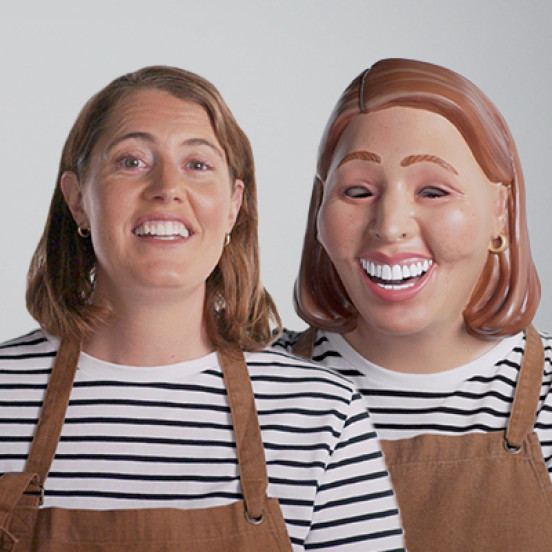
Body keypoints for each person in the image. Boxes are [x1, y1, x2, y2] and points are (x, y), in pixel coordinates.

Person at [0, 66, 405, 551]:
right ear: (78, 200)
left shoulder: (321, 416)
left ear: (234, 205)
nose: (167, 187)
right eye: (131, 161)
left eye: (197, 164)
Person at [274, 58, 552, 551]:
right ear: (319, 211)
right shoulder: (251, 390)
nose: (390, 225)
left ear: (501, 212)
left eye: (432, 190)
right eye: (357, 190)